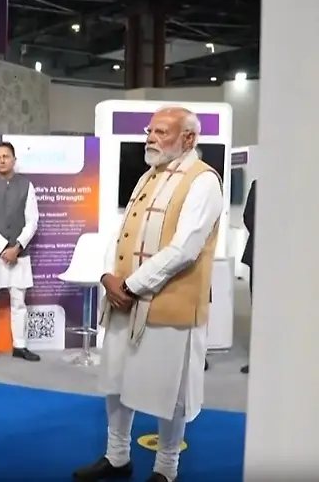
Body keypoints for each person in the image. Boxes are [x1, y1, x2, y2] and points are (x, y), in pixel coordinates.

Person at [73, 107, 222, 482]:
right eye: (149, 130)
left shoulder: (203, 181)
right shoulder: (148, 175)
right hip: (124, 300)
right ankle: (117, 457)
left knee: (169, 391)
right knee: (117, 381)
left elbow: (185, 249)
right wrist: (107, 276)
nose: (150, 138)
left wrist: (130, 286)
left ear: (189, 138)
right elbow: (122, 232)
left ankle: (166, 469)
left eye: (161, 131)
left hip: (169, 305)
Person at [0, 142, 41, 364]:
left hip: (19, 254)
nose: (2, 160)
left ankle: (20, 346)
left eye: (6, 156)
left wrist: (17, 247)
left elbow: (32, 221)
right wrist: (4, 248)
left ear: (14, 159)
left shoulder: (26, 185)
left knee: (19, 302)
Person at [240, 179, 256, 374]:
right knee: (258, 309)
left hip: (286, 260)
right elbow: (248, 216)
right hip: (259, 255)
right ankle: (259, 359)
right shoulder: (258, 185)